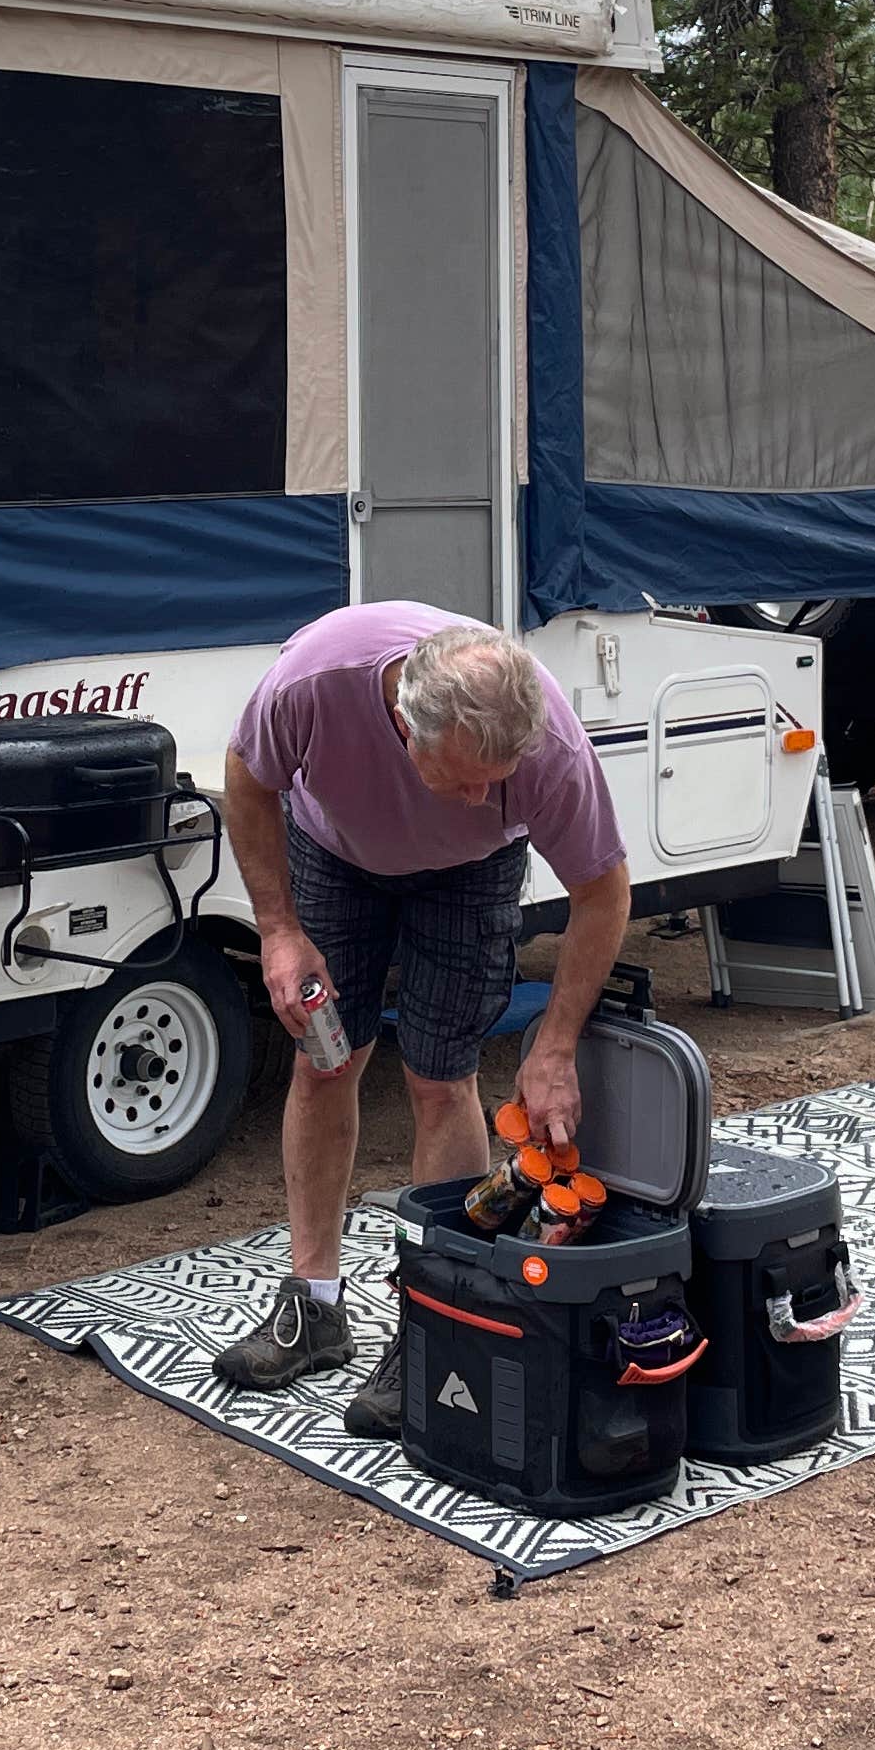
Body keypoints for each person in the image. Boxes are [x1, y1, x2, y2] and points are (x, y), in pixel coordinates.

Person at [207, 605, 631, 1432]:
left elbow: (602, 891)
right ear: (405, 725)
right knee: (323, 1059)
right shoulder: (312, 685)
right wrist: (280, 932)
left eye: (497, 778)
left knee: (441, 1077)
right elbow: (246, 781)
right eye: (468, 776)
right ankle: (315, 1306)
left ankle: (439, 1318)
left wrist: (555, 1047)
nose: (484, 794)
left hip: (468, 876)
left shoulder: (543, 745)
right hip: (335, 854)